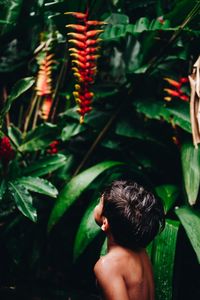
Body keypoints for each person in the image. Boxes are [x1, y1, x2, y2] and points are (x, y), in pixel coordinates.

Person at [93, 180, 165, 300]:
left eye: (99, 203)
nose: (96, 206)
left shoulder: (108, 266)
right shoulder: (141, 252)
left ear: (105, 222)